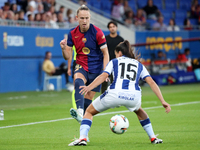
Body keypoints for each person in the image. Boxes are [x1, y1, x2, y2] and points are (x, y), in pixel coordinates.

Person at [68, 40, 171, 146]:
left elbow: (104, 76)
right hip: (134, 97)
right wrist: (163, 101)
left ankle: (82, 138)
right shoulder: (139, 64)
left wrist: (89, 87)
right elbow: (151, 82)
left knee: (88, 112)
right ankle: (153, 137)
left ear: (120, 53)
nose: (116, 56)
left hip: (114, 94)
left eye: (116, 54)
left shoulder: (114, 62)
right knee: (139, 111)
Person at [60, 5, 109, 124]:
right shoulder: (72, 33)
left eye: (87, 18)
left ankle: (83, 125)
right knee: (78, 81)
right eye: (82, 18)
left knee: (88, 100)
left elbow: (106, 53)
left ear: (90, 17)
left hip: (96, 69)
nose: (85, 21)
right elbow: (67, 56)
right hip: (81, 65)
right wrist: (63, 49)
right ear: (77, 18)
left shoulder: (98, 32)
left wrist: (106, 72)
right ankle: (79, 112)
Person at [101, 21, 124, 94]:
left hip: (117, 63)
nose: (112, 28)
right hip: (107, 62)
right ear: (108, 29)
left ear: (116, 27)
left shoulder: (121, 40)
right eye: (110, 27)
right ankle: (103, 96)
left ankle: (115, 96)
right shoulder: (105, 39)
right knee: (104, 80)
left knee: (116, 81)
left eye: (113, 26)